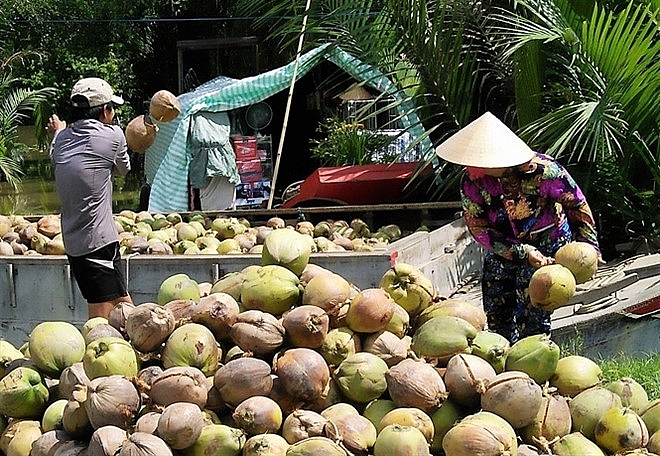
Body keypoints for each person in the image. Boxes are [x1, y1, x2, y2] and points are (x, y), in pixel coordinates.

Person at [435, 112, 602, 343]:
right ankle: (503, 357)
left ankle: (535, 356)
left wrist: (589, 246)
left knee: (534, 307)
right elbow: (478, 226)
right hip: (504, 245)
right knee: (496, 309)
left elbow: (577, 204)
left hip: (548, 245)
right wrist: (520, 251)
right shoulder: (472, 180)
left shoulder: (544, 171)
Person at [46, 77, 133, 319]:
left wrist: (59, 131)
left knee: (122, 302)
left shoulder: (60, 141)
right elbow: (124, 169)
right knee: (102, 318)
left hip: (74, 242)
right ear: (106, 111)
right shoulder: (114, 136)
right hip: (98, 241)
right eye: (112, 109)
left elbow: (59, 150)